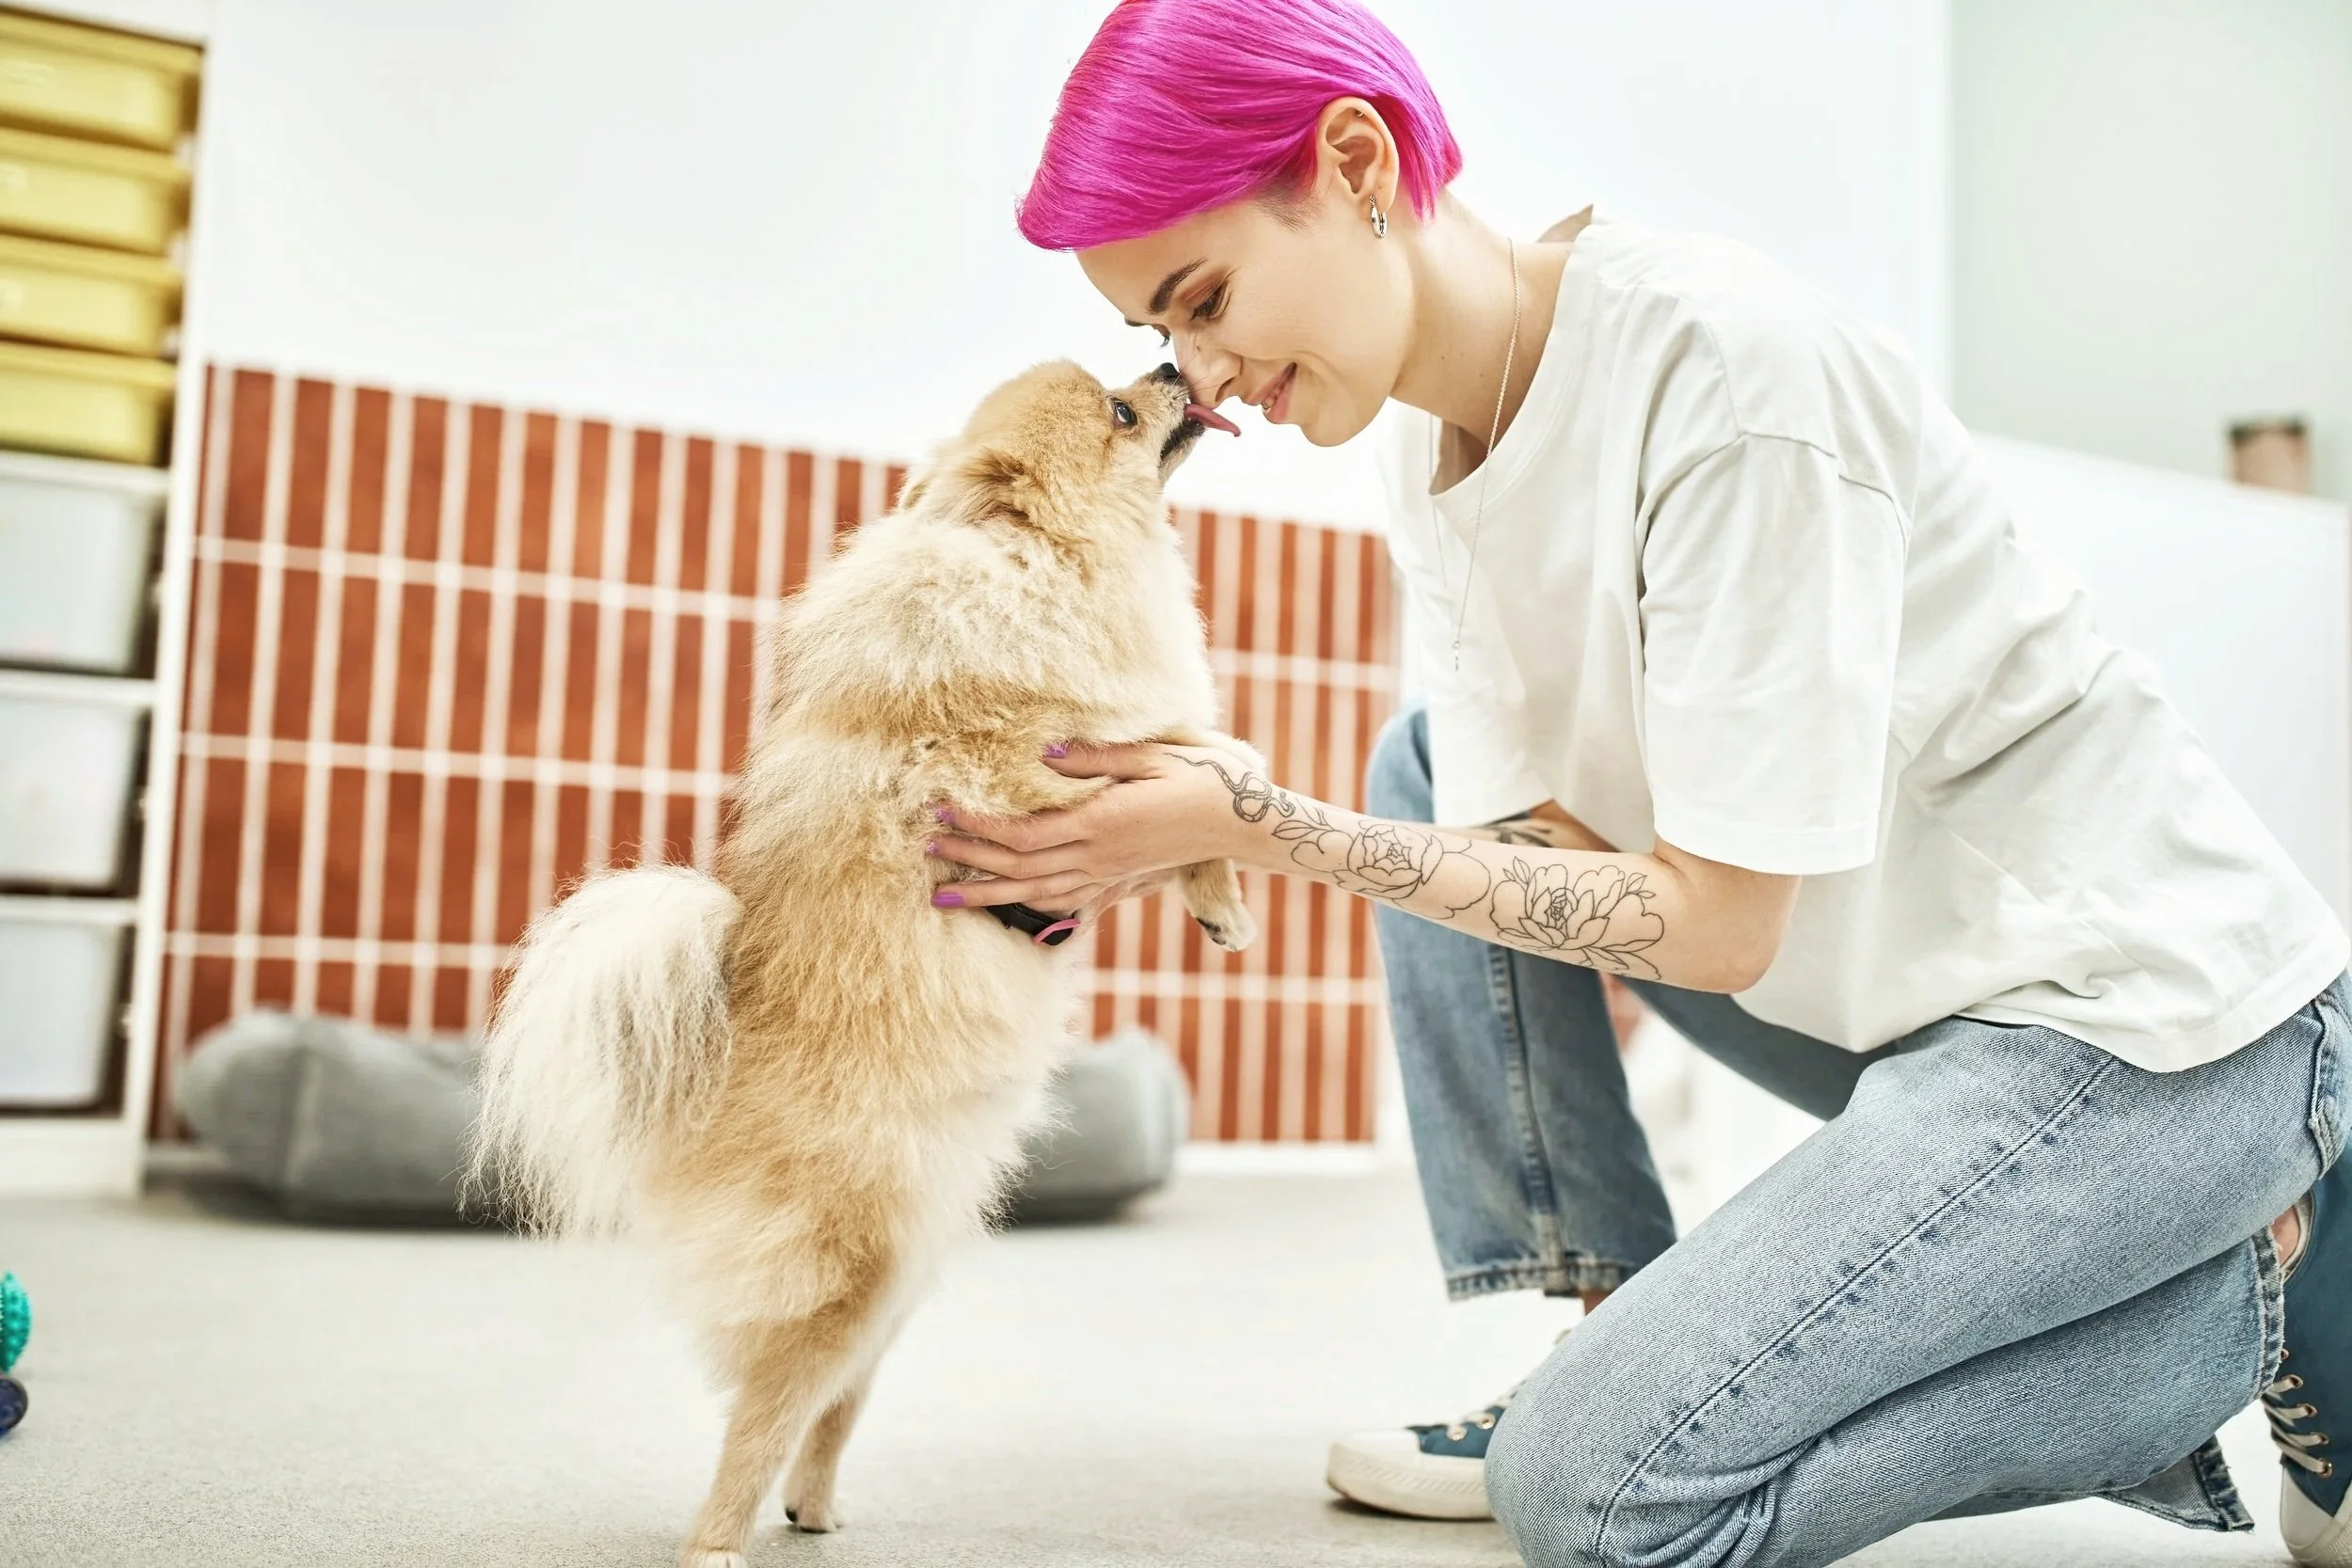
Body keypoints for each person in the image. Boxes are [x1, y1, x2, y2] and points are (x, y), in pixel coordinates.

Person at [927, 2, 2352, 1563]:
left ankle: (2269, 1272)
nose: (1199, 378)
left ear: (1354, 162)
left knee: (1599, 1498)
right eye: (1165, 339)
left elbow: (1720, 930)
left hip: (2155, 1028)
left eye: (1205, 301)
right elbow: (1507, 845)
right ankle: (1601, 1325)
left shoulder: (1726, 380)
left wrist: (1263, 826)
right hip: (1925, 1019)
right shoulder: (1426, 439)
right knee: (1426, 774)